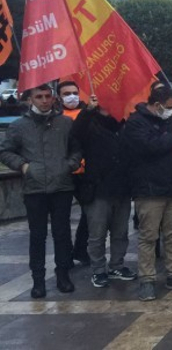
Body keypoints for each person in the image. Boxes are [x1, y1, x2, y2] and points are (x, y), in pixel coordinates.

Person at [0, 84, 82, 298]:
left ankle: (63, 275)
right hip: (34, 188)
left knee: (62, 233)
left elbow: (77, 148)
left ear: (53, 98)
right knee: (37, 235)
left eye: (47, 96)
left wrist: (69, 165)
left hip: (61, 186)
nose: (44, 100)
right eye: (39, 97)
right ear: (30, 100)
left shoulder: (65, 123)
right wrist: (23, 166)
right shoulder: (19, 126)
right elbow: (5, 151)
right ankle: (38, 280)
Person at [124, 86, 172, 301]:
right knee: (148, 237)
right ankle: (147, 279)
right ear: (156, 105)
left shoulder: (168, 120)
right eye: (169, 107)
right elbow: (150, 147)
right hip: (149, 189)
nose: (171, 111)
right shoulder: (136, 122)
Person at [71, 94, 138, 287]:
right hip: (98, 189)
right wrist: (88, 110)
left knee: (120, 232)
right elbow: (75, 134)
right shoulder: (89, 124)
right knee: (97, 234)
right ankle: (98, 270)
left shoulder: (123, 124)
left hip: (122, 188)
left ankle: (117, 265)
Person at [57, 81, 90, 267]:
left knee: (89, 213)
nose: (72, 97)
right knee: (61, 219)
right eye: (66, 93)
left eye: (74, 92)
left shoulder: (88, 113)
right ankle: (65, 256)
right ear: (59, 97)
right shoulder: (55, 117)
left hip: (85, 172)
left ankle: (81, 249)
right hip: (64, 172)